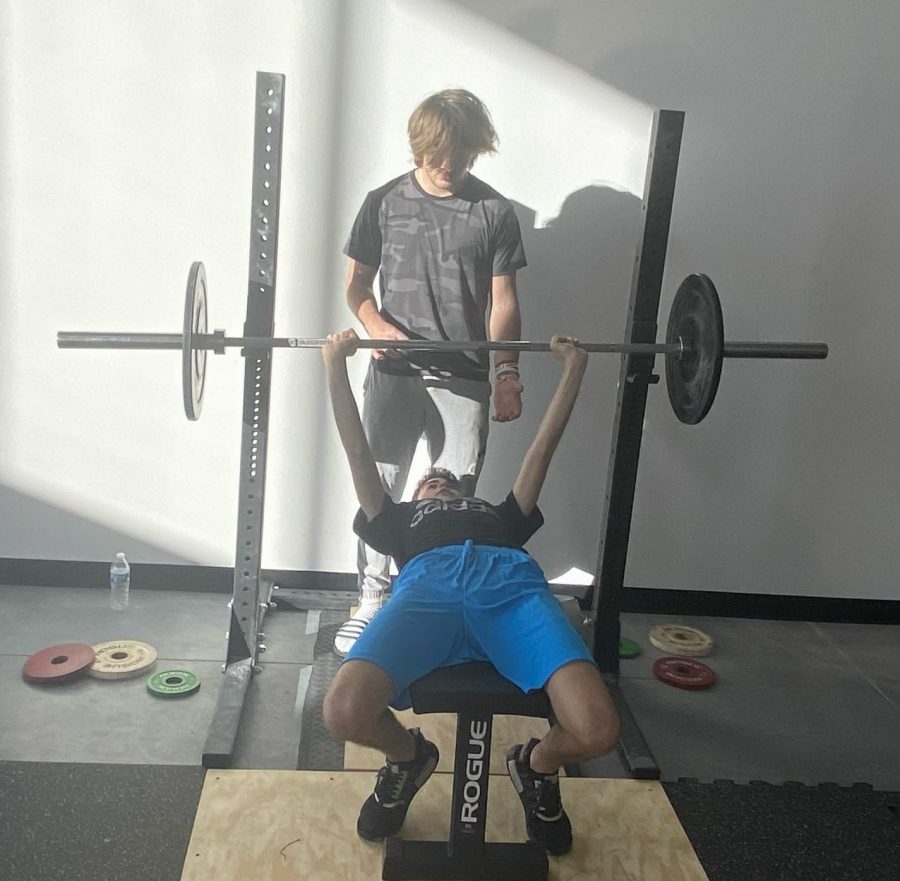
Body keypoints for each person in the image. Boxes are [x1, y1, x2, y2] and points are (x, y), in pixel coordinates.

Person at [320, 329, 620, 856]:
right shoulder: (398, 519)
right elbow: (357, 452)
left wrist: (575, 369)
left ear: (464, 492)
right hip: (424, 592)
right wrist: (334, 366)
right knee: (342, 711)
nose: (435, 484)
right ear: (413, 499)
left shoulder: (497, 515)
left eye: (444, 482)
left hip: (510, 588)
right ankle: (407, 757)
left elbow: (540, 452)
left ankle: (538, 766)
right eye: (426, 484)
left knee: (597, 729)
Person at [335, 88, 527, 657]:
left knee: (455, 497)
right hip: (394, 372)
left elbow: (505, 303)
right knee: (382, 488)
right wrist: (374, 321)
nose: (448, 166)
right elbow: (356, 287)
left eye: (461, 154)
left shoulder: (493, 212)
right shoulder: (383, 201)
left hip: (464, 376)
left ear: (476, 149)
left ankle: (440, 596)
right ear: (420, 147)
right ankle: (372, 596)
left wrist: (507, 370)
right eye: (438, 154)